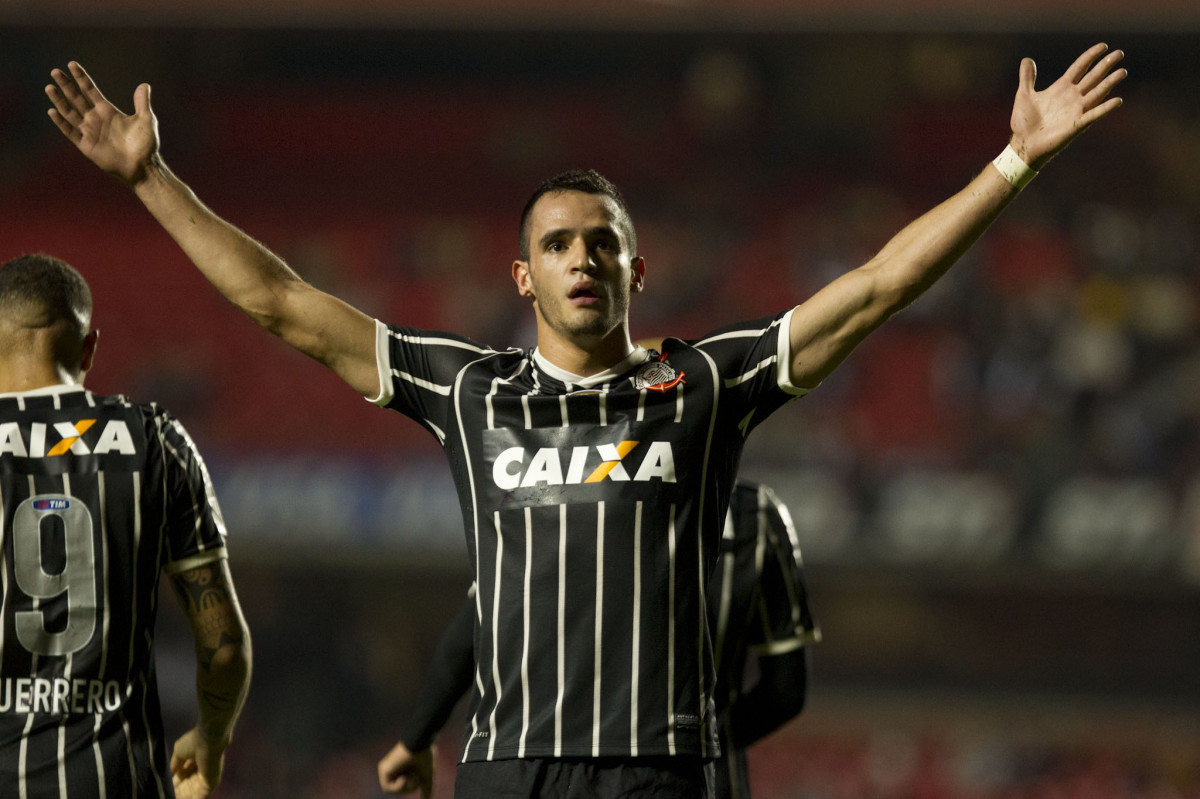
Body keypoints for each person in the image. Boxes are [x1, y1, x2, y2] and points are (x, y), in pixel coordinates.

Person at [44, 43, 1124, 798]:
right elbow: (280, 301)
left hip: (666, 767)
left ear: (636, 266)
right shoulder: (470, 392)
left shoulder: (706, 385)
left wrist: (1016, 161)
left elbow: (882, 283)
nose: (582, 258)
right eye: (559, 242)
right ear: (523, 274)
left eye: (602, 241)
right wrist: (151, 180)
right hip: (512, 768)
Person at [378, 478, 819, 799]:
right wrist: (696, 738)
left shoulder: (551, 494)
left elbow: (471, 634)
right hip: (690, 776)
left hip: (542, 766)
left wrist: (416, 739)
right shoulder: (754, 517)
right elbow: (786, 692)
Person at [0, 253, 252, 799]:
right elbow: (225, 647)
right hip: (112, 780)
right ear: (89, 348)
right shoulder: (155, 438)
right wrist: (211, 741)